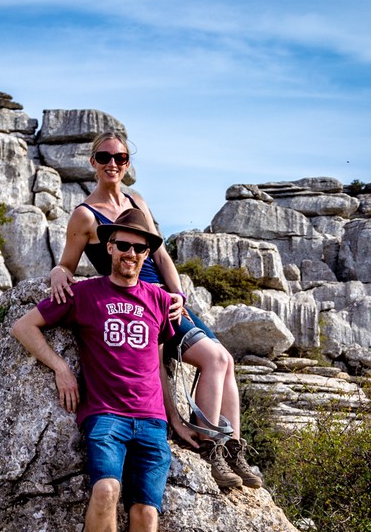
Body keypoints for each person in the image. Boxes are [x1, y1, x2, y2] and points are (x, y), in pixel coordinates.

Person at [49, 133, 262, 493]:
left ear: (128, 163)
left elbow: (161, 256)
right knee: (212, 359)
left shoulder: (138, 201)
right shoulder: (84, 215)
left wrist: (178, 295)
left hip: (167, 299)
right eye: (104, 157)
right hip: (138, 303)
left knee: (225, 359)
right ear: (93, 162)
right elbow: (67, 264)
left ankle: (233, 449)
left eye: (120, 157)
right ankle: (211, 448)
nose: (112, 163)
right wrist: (57, 273)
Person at [10, 209, 176, 532]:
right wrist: (62, 369)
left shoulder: (159, 300)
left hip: (152, 421)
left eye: (139, 248)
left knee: (146, 514)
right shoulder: (85, 293)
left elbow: (161, 364)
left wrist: (178, 420)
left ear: (146, 255)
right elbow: (24, 327)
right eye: (122, 245)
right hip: (106, 416)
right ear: (109, 247)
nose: (130, 254)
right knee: (105, 490)